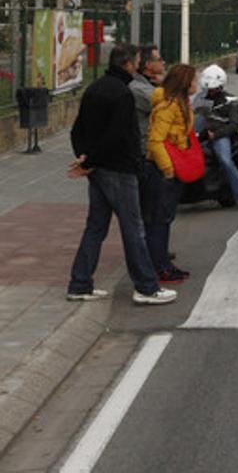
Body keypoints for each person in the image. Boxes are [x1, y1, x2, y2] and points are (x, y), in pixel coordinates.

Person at [66, 44, 175, 306]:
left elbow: (77, 129)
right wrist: (91, 160)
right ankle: (146, 287)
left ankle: (80, 284)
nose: (139, 64)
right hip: (119, 170)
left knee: (96, 227)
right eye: (137, 60)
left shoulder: (95, 87)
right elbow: (118, 135)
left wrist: (85, 158)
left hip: (98, 169)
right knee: (133, 228)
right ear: (128, 63)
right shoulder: (122, 94)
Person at [146, 63, 198, 285]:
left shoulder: (181, 104)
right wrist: (168, 169)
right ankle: (159, 268)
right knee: (159, 220)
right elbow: (155, 140)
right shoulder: (168, 107)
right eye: (194, 80)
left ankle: (163, 264)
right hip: (162, 171)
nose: (198, 84)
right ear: (185, 83)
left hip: (171, 168)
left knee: (165, 219)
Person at [192, 64, 238, 211]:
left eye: (213, 88)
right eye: (208, 88)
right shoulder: (199, 98)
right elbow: (193, 118)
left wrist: (215, 134)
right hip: (200, 133)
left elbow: (234, 125)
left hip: (220, 135)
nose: (210, 91)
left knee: (226, 160)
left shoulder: (230, 100)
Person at [129, 45, 166, 242]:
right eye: (159, 59)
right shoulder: (139, 89)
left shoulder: (149, 85)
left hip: (152, 153)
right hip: (146, 155)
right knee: (150, 209)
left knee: (155, 208)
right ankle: (149, 252)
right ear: (147, 66)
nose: (163, 62)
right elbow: (169, 104)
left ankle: (155, 249)